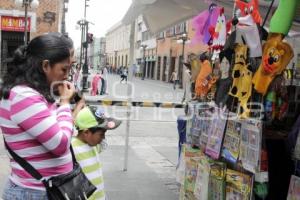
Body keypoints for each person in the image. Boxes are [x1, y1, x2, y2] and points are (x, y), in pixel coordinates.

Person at [0, 33, 85, 200]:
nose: (67, 75)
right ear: (46, 66)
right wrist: (65, 102)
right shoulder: (23, 97)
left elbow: (60, 130)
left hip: (47, 190)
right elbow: (60, 144)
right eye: (64, 69)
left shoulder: (35, 93)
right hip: (33, 192)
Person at [71, 106, 121, 200]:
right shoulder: (72, 147)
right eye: (101, 134)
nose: (103, 138)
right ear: (86, 133)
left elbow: (104, 144)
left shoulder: (94, 145)